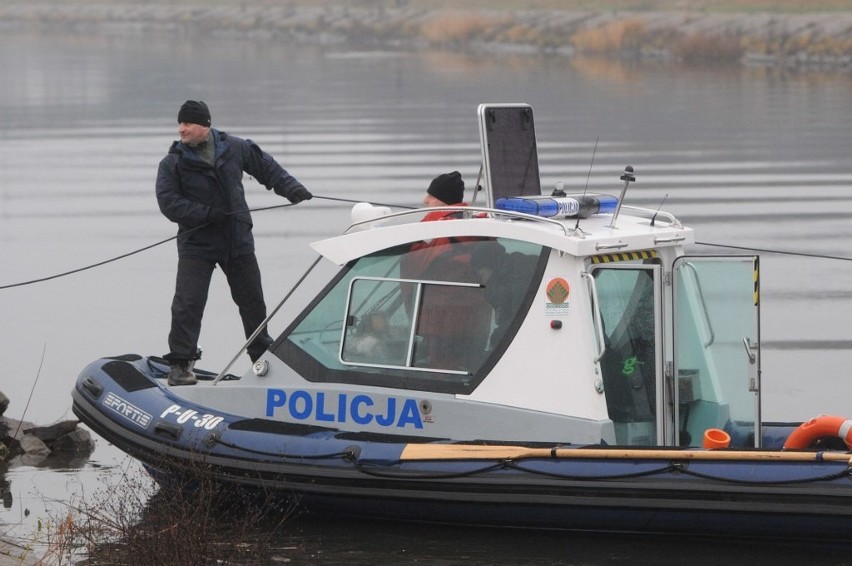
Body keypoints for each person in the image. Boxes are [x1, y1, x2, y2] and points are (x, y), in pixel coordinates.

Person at [155, 100, 312, 386]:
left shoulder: (237, 148)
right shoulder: (172, 163)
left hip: (237, 241)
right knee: (187, 305)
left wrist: (293, 189)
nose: (181, 129)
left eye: (187, 123)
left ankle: (262, 357)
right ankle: (180, 364)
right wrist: (205, 214)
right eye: (180, 123)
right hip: (197, 244)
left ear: (204, 125)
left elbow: (269, 170)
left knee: (253, 304)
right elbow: (168, 203)